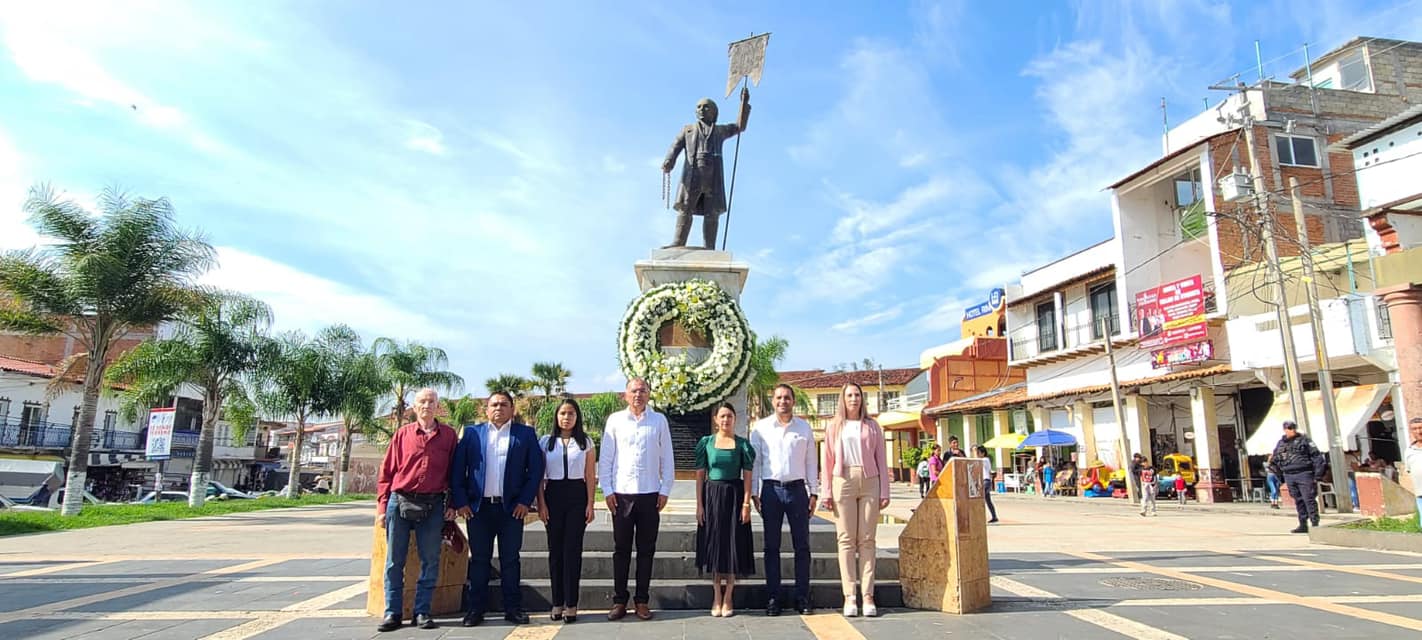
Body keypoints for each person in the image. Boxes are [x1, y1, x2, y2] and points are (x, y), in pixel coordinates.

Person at [450, 391, 545, 627]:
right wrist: (461, 502)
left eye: (504, 404)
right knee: (480, 560)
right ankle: (475, 609)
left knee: (510, 560)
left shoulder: (525, 434)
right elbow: (457, 470)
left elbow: (535, 471)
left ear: (512, 409)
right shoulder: (472, 433)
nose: (498, 408)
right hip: (478, 509)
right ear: (486, 409)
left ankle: (513, 608)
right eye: (494, 404)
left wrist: (525, 501)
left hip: (511, 509)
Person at [375, 388, 457, 633]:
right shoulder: (402, 435)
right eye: (422, 401)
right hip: (399, 502)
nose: (427, 405)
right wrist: (381, 507)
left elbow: (454, 474)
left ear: (438, 407)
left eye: (431, 401)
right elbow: (387, 473)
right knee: (393, 561)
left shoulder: (449, 436)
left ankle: (422, 611)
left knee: (430, 559)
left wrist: (452, 504)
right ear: (414, 406)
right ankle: (393, 611)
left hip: (432, 505)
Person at [598, 378, 676, 621]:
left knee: (646, 550)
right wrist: (607, 490)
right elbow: (607, 457)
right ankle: (619, 601)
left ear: (649, 394)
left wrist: (665, 490)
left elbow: (667, 457)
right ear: (625, 395)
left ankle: (642, 601)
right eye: (634, 390)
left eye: (643, 390)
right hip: (621, 495)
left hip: (650, 494)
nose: (638, 394)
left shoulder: (659, 420)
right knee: (621, 550)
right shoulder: (615, 421)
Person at [820, 382, 890, 618]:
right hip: (843, 479)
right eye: (849, 395)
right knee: (846, 540)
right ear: (843, 398)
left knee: (868, 540)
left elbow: (881, 458)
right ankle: (850, 595)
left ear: (862, 399)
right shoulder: (833, 426)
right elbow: (827, 460)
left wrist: (885, 491)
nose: (853, 399)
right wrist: (826, 491)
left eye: (857, 395)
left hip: (870, 480)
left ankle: (868, 595)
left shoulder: (872, 426)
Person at [750, 384, 819, 617]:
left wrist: (814, 492)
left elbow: (811, 462)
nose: (783, 401)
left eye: (787, 397)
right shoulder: (760, 429)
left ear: (793, 400)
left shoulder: (804, 428)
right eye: (779, 397)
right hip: (771, 491)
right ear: (773, 401)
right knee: (771, 547)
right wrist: (753, 493)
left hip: (798, 491)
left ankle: (802, 597)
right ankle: (773, 598)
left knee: (802, 546)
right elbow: (756, 463)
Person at [661, 88, 751, 249]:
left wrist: (743, 103)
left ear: (714, 112)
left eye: (706, 107)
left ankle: (709, 246)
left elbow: (739, 126)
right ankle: (678, 242)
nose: (702, 109)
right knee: (686, 208)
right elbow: (675, 146)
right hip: (692, 174)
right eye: (699, 107)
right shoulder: (688, 130)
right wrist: (669, 160)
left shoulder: (719, 130)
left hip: (713, 176)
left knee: (712, 212)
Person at [535, 399, 596, 624]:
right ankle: (557, 602)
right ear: (556, 416)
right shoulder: (545, 442)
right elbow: (539, 477)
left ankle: (572, 603)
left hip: (577, 496)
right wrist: (541, 503)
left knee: (572, 550)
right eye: (562, 413)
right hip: (553, 495)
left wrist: (591, 503)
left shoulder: (585, 442)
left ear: (577, 417)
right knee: (555, 551)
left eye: (571, 413)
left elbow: (590, 475)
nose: (566, 417)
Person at [695, 402, 756, 618]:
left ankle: (729, 595)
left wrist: (746, 504)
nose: (725, 420)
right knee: (715, 545)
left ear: (734, 419)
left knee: (732, 546)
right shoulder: (707, 443)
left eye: (729, 416)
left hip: (735, 497)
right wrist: (699, 504)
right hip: (712, 496)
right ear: (715, 419)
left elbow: (747, 477)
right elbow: (701, 475)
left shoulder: (742, 445)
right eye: (722, 416)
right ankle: (716, 596)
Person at [1268, 420, 1327, 533]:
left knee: (1308, 499)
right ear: (1285, 429)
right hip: (1289, 475)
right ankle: (1303, 524)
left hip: (1304, 473)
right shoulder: (1281, 443)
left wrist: (1318, 475)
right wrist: (1280, 476)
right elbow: (1275, 460)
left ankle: (1315, 523)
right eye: (1288, 428)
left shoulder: (1304, 440)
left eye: (1292, 428)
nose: (1291, 430)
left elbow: (1317, 457)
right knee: (1298, 500)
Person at [1404, 417, 1422, 527]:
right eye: (1415, 429)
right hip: (1420, 494)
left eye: (1421, 428)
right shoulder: (1409, 451)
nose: (1419, 431)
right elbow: (1409, 471)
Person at [974, 445, 999, 523]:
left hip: (986, 481)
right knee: (988, 500)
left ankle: (980, 517)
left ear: (983, 453)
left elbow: (976, 460)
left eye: (979, 453)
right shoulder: (984, 460)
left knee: (980, 499)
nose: (978, 454)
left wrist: (975, 451)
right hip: (985, 481)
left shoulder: (985, 459)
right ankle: (994, 516)